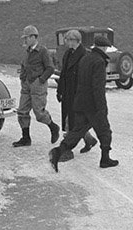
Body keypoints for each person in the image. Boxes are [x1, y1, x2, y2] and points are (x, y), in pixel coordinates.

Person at [49, 35, 119, 170]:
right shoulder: (99, 61)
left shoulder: (85, 58)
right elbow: (97, 88)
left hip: (80, 102)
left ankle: (58, 152)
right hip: (93, 105)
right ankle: (105, 159)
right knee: (105, 131)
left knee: (77, 131)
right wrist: (102, 108)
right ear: (103, 47)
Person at [12, 25, 60, 148]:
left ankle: (53, 127)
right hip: (27, 85)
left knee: (39, 113)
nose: (25, 40)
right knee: (22, 111)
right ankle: (26, 138)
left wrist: (41, 80)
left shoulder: (42, 51)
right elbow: (24, 66)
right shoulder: (27, 51)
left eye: (27, 38)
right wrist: (22, 78)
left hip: (38, 85)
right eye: (24, 38)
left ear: (34, 37)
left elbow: (50, 68)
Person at [55, 29, 97, 159]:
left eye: (69, 40)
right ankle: (89, 140)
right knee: (73, 120)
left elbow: (86, 78)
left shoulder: (84, 55)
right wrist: (60, 90)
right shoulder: (68, 53)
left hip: (78, 93)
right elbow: (63, 74)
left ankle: (67, 150)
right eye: (66, 39)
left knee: (71, 121)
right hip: (68, 92)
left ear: (76, 41)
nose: (67, 42)